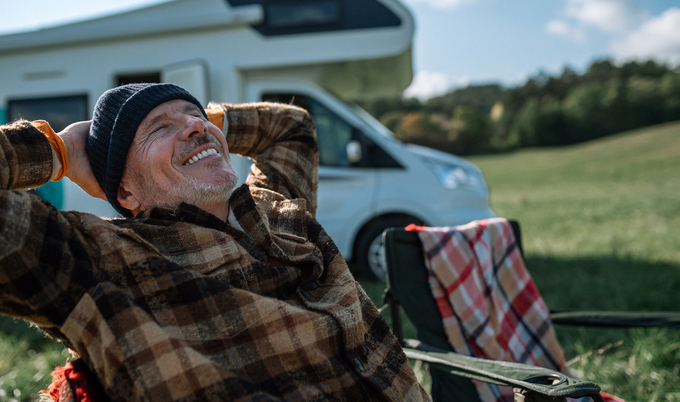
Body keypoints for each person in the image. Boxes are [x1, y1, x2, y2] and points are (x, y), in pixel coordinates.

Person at [0, 83, 428, 402]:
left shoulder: (276, 208)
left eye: (196, 114)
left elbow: (291, 128)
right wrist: (58, 150)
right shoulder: (98, 258)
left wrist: (209, 125)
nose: (195, 125)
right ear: (126, 193)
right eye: (159, 128)